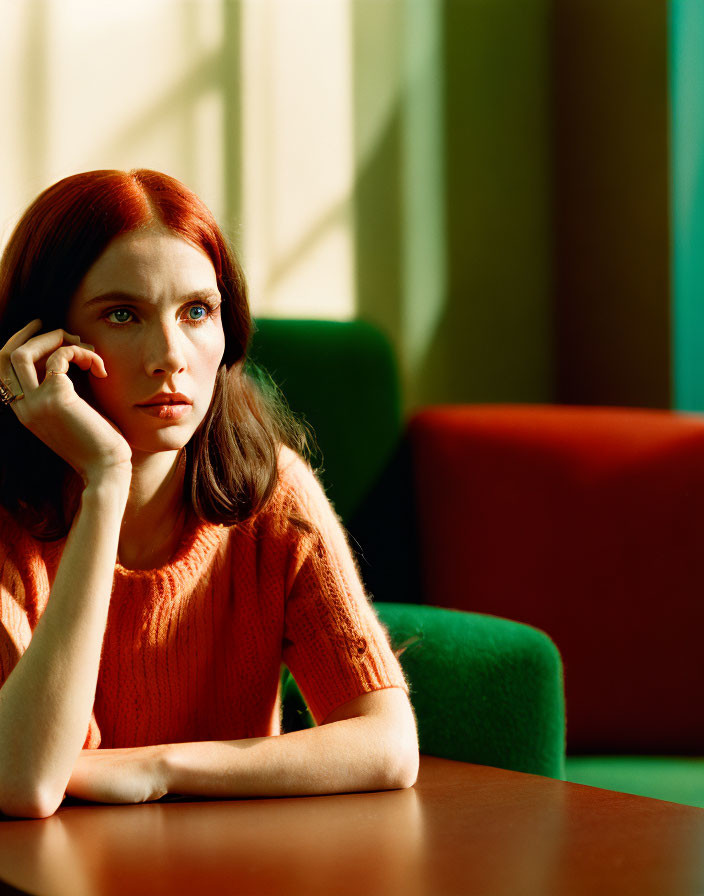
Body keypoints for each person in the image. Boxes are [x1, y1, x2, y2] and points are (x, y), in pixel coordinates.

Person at [0, 169, 417, 819]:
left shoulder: (271, 492)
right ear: (41, 343)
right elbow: (22, 782)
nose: (169, 355)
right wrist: (105, 480)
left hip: (233, 868)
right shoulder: (9, 521)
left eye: (196, 311)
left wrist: (161, 766)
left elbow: (389, 745)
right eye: (122, 314)